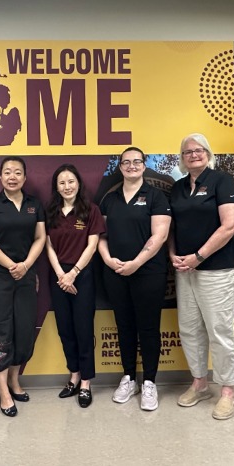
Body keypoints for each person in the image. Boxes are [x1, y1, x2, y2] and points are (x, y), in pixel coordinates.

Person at [169, 133, 234, 420]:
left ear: (208, 153)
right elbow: (172, 229)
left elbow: (230, 226)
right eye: (188, 152)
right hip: (185, 270)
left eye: (199, 150)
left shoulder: (222, 182)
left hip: (218, 269)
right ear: (182, 158)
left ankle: (227, 390)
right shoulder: (177, 188)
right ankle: (200, 383)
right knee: (189, 329)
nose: (194, 155)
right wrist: (173, 255)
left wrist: (199, 256)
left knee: (219, 330)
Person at [98, 146, 171, 411]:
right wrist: (107, 259)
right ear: (120, 167)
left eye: (136, 161)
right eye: (126, 162)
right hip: (115, 272)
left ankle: (150, 382)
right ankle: (128, 377)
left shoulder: (156, 197)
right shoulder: (110, 198)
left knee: (149, 328)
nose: (131, 166)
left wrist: (136, 263)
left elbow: (159, 235)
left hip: (148, 272)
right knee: (124, 326)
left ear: (144, 165)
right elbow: (101, 236)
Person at [0, 156, 46, 417]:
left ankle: (15, 380)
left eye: (18, 172)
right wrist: (12, 265)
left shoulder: (34, 205)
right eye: (7, 172)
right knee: (0, 331)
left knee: (24, 329)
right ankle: (3, 391)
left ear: (25, 178)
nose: (13, 176)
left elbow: (40, 237)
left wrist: (26, 265)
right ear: (0, 177)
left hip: (26, 276)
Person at [45, 164, 105, 408]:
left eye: (71, 181)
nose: (67, 186)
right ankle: (74, 376)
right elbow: (46, 245)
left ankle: (86, 382)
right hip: (58, 275)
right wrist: (62, 274)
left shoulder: (91, 211)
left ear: (78, 183)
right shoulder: (50, 211)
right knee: (65, 329)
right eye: (61, 183)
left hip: (83, 275)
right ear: (56, 187)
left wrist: (74, 274)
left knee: (83, 329)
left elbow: (92, 246)